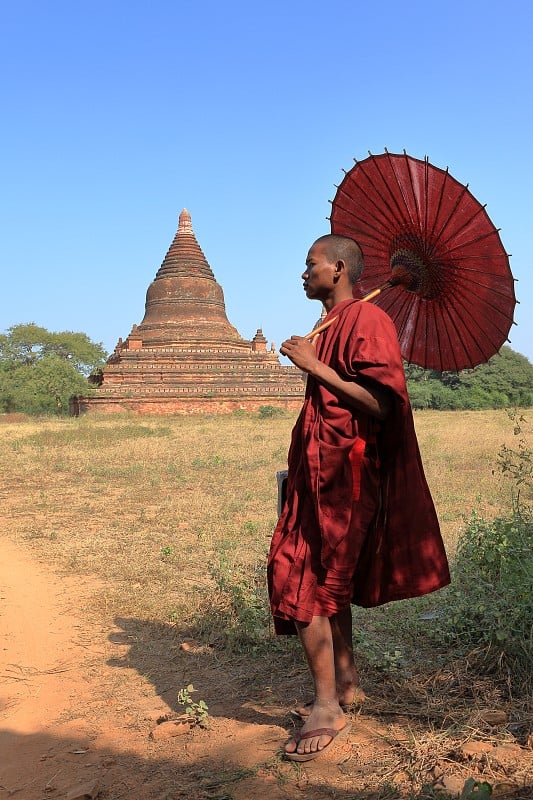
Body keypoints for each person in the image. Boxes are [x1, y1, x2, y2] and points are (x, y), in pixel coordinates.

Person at [267, 234, 450, 762]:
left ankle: (327, 708)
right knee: (326, 583)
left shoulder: (369, 323)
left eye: (311, 264)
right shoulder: (329, 326)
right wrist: (314, 354)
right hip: (314, 472)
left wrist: (315, 367)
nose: (303, 273)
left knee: (300, 579)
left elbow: (384, 403)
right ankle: (344, 684)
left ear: (339, 268)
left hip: (344, 478)